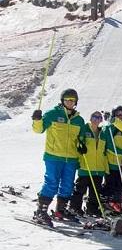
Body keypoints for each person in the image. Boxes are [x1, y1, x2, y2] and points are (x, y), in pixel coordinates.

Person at [31, 88, 86, 225]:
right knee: (52, 182)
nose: (69, 102)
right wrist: (37, 120)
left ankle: (60, 210)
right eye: (67, 99)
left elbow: (81, 138)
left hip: (71, 159)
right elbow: (39, 130)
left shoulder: (79, 120)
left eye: (72, 100)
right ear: (62, 100)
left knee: (67, 185)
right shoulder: (53, 114)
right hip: (54, 156)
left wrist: (82, 144)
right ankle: (41, 212)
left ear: (76, 102)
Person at [68, 111, 109, 216]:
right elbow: (77, 141)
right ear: (90, 118)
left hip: (98, 168)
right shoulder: (85, 128)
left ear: (101, 120)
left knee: (95, 191)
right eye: (94, 117)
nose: (96, 119)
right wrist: (80, 146)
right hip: (86, 166)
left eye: (99, 117)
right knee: (80, 189)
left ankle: (92, 209)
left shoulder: (103, 132)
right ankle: (75, 207)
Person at [102, 105, 122, 212]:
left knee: (120, 185)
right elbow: (107, 145)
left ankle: (117, 202)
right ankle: (106, 202)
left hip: (121, 163)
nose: (120, 117)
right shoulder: (109, 128)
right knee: (110, 184)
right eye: (117, 115)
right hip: (111, 162)